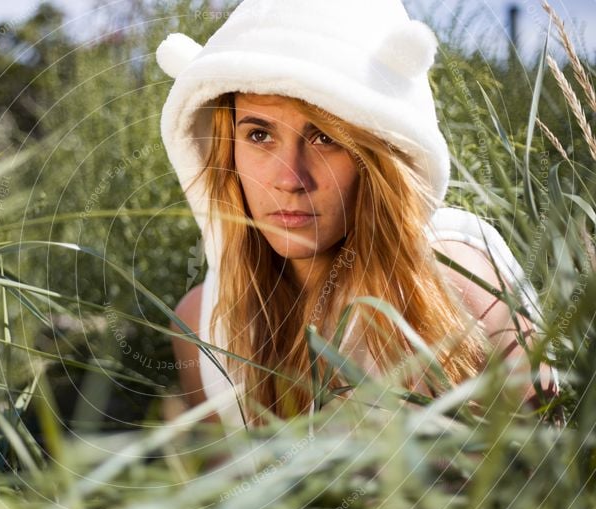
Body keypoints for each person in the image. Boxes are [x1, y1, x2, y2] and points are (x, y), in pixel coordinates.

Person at [160, 0, 558, 429]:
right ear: (226, 152)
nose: (290, 179)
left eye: (326, 138)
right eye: (259, 134)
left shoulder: (454, 286)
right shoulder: (202, 326)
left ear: (381, 153)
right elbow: (224, 490)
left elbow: (546, 478)